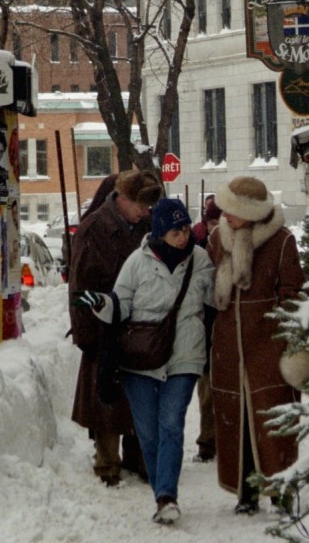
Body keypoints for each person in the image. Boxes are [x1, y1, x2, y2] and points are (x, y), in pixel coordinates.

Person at [74, 197, 215, 525]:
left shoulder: (201, 260)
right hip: (139, 359)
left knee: (171, 423)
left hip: (184, 355)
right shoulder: (138, 262)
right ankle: (161, 489)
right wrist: (100, 303)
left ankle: (166, 495)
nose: (182, 235)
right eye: (175, 230)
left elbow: (215, 301)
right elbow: (120, 306)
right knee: (148, 432)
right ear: (160, 231)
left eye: (185, 228)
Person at [207, 176, 304, 515]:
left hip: (269, 347)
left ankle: (281, 491)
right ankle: (245, 491)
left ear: (250, 212)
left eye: (232, 210)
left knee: (273, 422)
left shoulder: (281, 242)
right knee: (237, 421)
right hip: (229, 348)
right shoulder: (219, 237)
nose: (225, 214)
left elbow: (293, 293)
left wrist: (283, 336)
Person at [68, 169, 162, 488]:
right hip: (104, 327)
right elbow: (79, 285)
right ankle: (107, 461)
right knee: (106, 398)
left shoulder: (148, 225)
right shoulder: (94, 228)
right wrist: (85, 334)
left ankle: (140, 457)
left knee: (141, 394)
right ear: (122, 199)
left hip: (142, 326)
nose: (146, 212)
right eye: (141, 206)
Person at [191, 195, 222, 463]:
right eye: (212, 221)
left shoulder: (231, 245)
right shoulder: (197, 246)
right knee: (207, 391)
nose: (215, 226)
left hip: (224, 328)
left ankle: (223, 440)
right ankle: (207, 443)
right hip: (204, 328)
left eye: (219, 220)